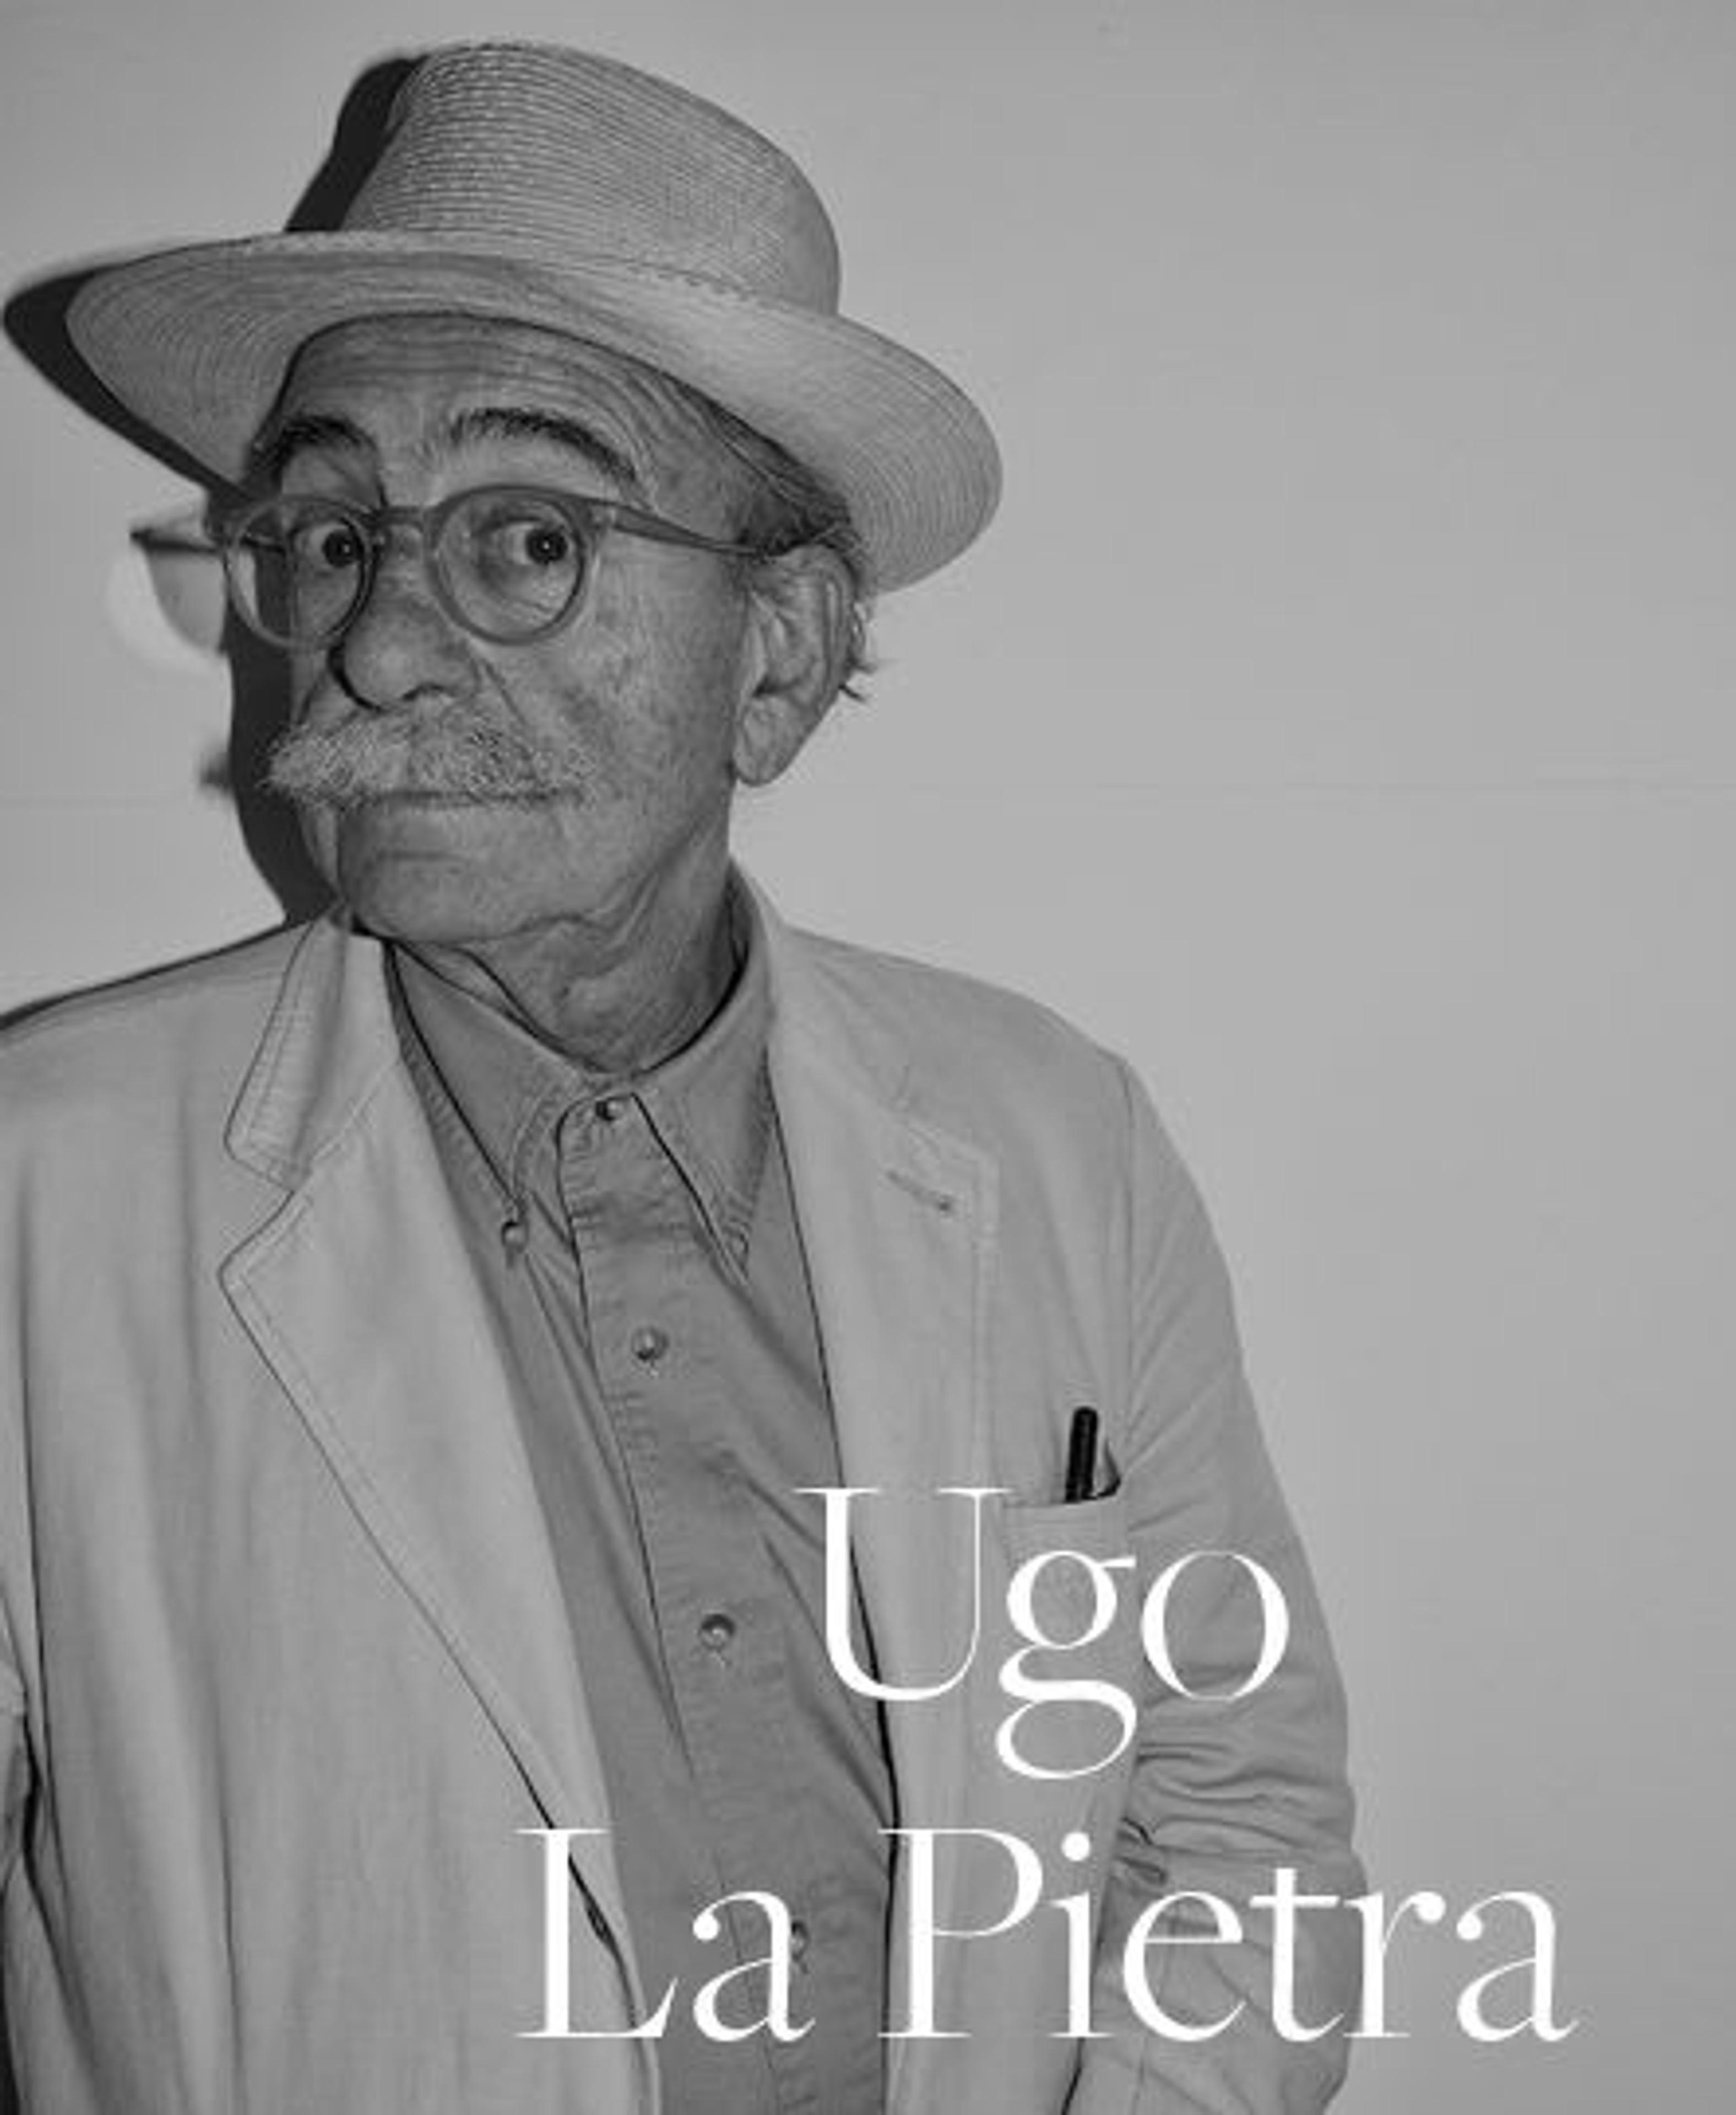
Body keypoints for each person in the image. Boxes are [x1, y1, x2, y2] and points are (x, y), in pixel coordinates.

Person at [0, 40, 1362, 2114]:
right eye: (336, 534)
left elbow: (1230, 1807)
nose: (374, 646)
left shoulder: (1049, 1136)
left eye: (527, 538)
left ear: (779, 654)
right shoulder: (44, 1194)